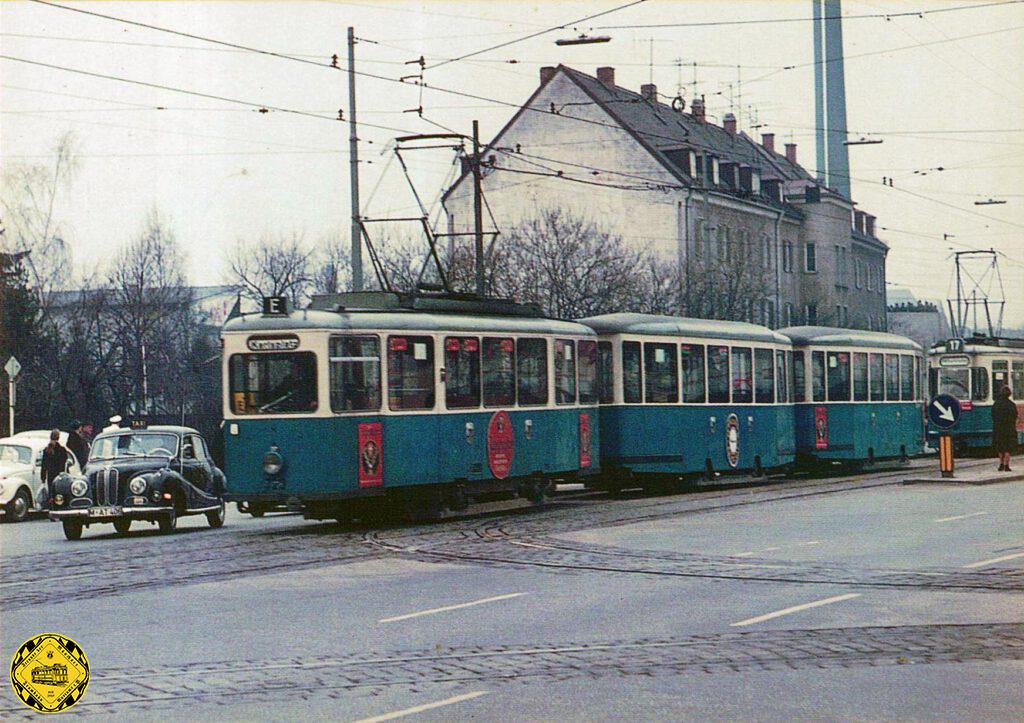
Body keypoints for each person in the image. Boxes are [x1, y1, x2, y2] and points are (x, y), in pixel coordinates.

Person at [992, 385, 1018, 472]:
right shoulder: (1012, 405)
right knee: (1008, 447)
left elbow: (993, 415)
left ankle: (1001, 464)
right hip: (1009, 429)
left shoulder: (996, 404)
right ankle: (1007, 465)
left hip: (998, 428)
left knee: (1000, 447)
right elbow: (1015, 416)